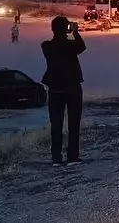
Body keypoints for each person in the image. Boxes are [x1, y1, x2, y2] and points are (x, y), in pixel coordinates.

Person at [41, 16, 86, 166]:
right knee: (74, 123)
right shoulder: (70, 45)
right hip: (72, 87)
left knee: (56, 124)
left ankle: (56, 157)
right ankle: (72, 156)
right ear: (65, 29)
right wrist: (75, 32)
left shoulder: (46, 46)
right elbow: (81, 46)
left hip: (55, 89)